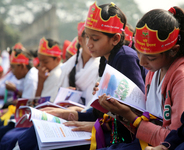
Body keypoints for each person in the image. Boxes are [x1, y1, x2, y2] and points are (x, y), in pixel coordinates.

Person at [14, 2, 147, 150]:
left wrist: (97, 126)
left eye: (95, 39)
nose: (89, 44)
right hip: (108, 127)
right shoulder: (105, 59)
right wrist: (68, 114)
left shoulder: (125, 58)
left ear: (115, 39)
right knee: (37, 132)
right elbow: (103, 110)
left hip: (125, 137)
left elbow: (136, 112)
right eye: (87, 37)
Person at [97, 6, 184, 149]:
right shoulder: (154, 69)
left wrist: (130, 116)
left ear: (173, 50)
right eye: (138, 52)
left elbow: (174, 138)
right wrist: (119, 106)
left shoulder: (183, 77)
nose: (141, 62)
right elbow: (149, 116)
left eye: (150, 57)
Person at [144, 67, 184, 149]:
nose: (142, 62)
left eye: (151, 58)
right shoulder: (152, 72)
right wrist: (165, 146)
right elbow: (183, 129)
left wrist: (132, 118)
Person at [35, 37, 62, 102]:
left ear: (58, 59)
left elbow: (39, 103)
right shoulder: (50, 72)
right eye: (40, 61)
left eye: (45, 62)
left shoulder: (55, 75)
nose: (41, 65)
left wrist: (40, 82)